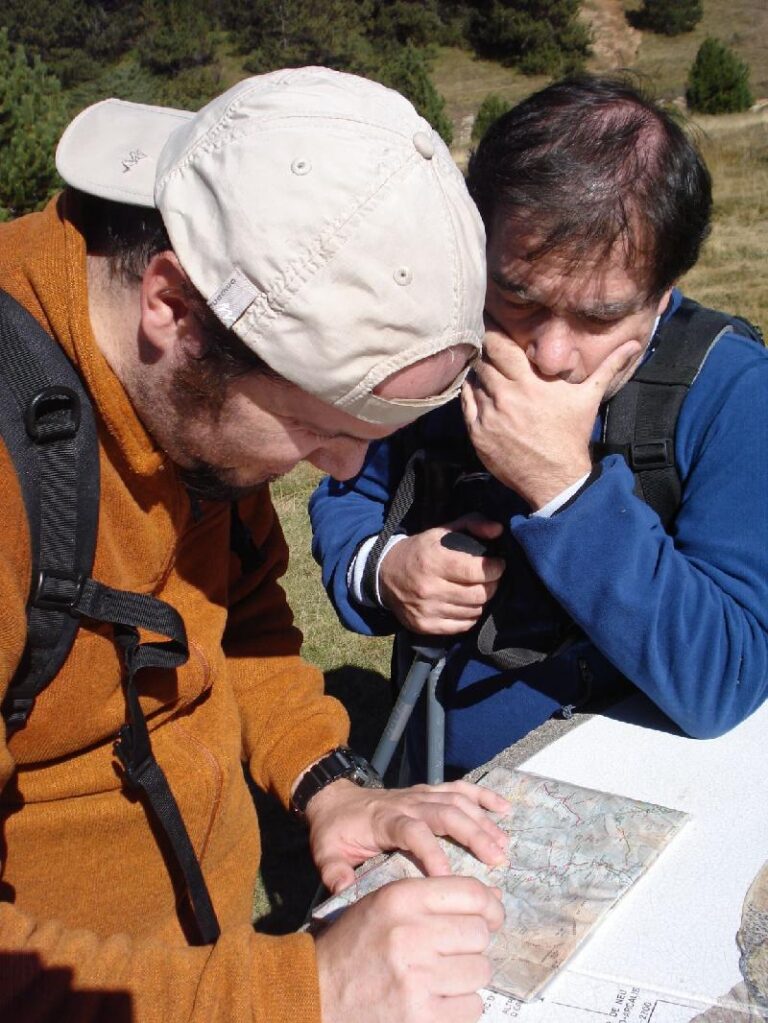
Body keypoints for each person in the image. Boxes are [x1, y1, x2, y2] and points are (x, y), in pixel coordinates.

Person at [0, 68, 512, 1023]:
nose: (344, 465)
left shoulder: (189, 402)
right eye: (317, 426)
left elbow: (234, 615)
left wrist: (326, 783)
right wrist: (303, 989)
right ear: (173, 305)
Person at [310, 74, 768, 783]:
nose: (549, 354)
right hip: (430, 779)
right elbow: (348, 489)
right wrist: (383, 571)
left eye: (599, 315)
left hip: (622, 804)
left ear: (663, 292)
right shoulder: (444, 344)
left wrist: (562, 486)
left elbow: (724, 676)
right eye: (518, 297)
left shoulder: (733, 392)